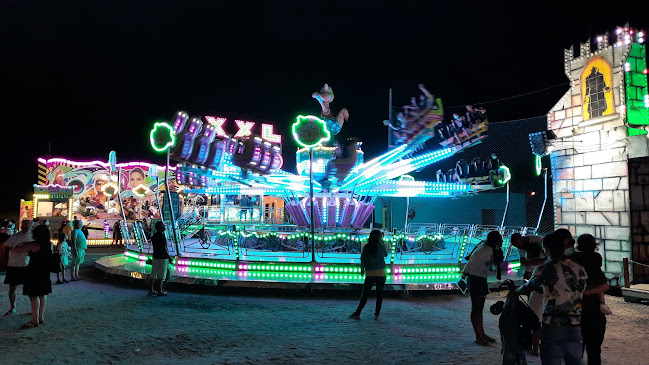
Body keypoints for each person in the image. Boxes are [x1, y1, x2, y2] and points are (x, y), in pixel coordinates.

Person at [516, 233, 597, 365]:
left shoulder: (545, 269)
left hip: (554, 324)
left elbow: (528, 287)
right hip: (576, 324)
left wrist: (516, 291)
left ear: (547, 249)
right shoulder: (579, 268)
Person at [572, 234, 611, 365]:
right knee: (594, 350)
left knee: (576, 351)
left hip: (576, 310)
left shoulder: (573, 260)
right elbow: (604, 285)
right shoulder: (595, 261)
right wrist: (590, 292)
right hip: (593, 309)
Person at [462, 230, 503, 346]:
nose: (502, 241)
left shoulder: (490, 249)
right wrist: (464, 274)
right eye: (500, 239)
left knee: (480, 307)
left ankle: (481, 333)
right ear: (495, 240)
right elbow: (471, 263)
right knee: (476, 308)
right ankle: (478, 336)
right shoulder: (485, 250)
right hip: (475, 278)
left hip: (480, 277)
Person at [10, 225, 53, 328]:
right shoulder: (50, 245)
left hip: (33, 272)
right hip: (44, 272)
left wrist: (23, 244)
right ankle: (40, 317)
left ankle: (34, 320)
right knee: (42, 295)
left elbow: (15, 250)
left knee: (33, 297)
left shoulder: (33, 245)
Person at [350, 230, 388, 320]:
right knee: (379, 295)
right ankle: (377, 315)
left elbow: (362, 259)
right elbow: (385, 255)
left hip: (370, 273)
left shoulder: (366, 247)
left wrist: (362, 269)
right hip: (381, 272)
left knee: (365, 294)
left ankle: (358, 312)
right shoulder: (381, 246)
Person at [3, 220, 33, 316]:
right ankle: (13, 308)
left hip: (26, 265)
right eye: (22, 226)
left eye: (26, 226)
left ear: (31, 226)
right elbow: (6, 247)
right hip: (13, 264)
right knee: (12, 287)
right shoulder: (15, 236)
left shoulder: (33, 237)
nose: (23, 228)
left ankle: (34, 308)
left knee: (30, 288)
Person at [149, 221, 173, 296]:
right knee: (162, 275)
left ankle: (151, 290)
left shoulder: (154, 236)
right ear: (160, 227)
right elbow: (163, 248)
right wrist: (169, 257)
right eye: (163, 225)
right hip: (162, 257)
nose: (164, 227)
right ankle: (160, 290)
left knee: (153, 274)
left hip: (155, 256)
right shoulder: (161, 236)